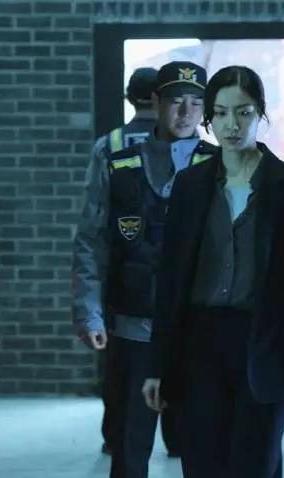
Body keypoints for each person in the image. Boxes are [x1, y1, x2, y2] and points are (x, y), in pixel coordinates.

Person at [141, 65, 284, 478]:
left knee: (256, 466)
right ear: (209, 118)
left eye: (243, 112)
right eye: (222, 113)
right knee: (202, 467)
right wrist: (156, 366)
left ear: (261, 113)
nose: (232, 125)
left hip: (266, 343)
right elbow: (170, 281)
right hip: (199, 347)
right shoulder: (190, 185)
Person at [71, 60, 215, 478]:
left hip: (199, 328)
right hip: (135, 325)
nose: (185, 112)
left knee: (203, 447)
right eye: (175, 101)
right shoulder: (117, 161)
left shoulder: (220, 164)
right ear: (155, 101)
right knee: (130, 446)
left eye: (195, 103)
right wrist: (89, 312)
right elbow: (91, 239)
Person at [89, 67, 160, 456]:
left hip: (122, 275)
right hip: (168, 271)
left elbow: (95, 218)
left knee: (120, 371)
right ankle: (177, 438)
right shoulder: (188, 144)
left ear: (130, 98)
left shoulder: (110, 144)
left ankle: (115, 438)